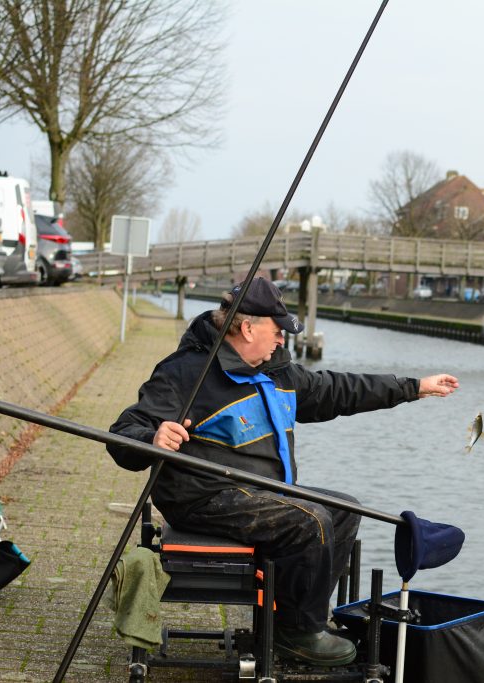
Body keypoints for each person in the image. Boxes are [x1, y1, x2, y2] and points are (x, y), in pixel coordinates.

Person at [107, 276, 459, 667]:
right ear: (247, 327)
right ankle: (297, 634)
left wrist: (413, 387)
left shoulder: (278, 374)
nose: (282, 341)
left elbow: (340, 390)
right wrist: (153, 436)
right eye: (277, 332)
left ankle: (297, 618)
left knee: (344, 510)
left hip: (262, 492)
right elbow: (123, 433)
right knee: (311, 520)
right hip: (202, 496)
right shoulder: (186, 372)